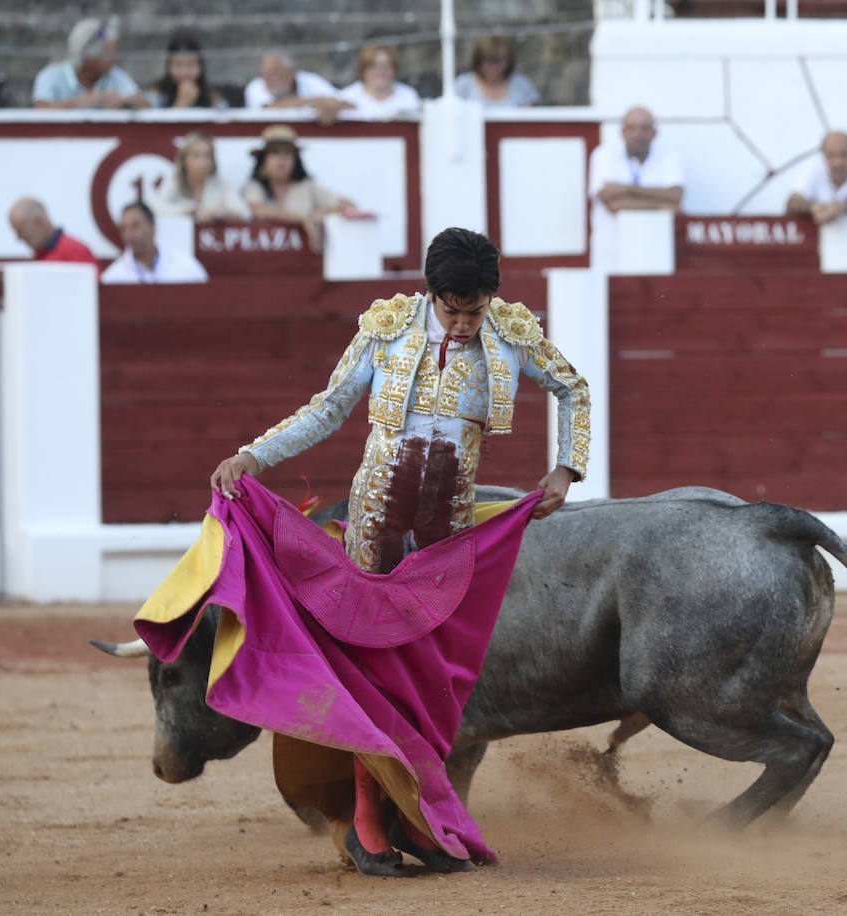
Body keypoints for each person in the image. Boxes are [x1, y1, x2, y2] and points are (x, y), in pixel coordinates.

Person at [201, 227, 588, 876]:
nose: (465, 324)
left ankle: (417, 812)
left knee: (430, 678)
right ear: (432, 295)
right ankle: (370, 817)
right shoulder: (387, 329)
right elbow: (327, 411)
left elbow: (572, 388)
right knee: (371, 673)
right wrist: (253, 454)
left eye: (476, 310)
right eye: (453, 309)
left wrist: (564, 470)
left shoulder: (511, 334)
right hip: (373, 528)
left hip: (445, 539)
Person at [587, 106, 685, 271]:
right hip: (611, 257)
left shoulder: (669, 156)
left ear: (654, 132)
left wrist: (624, 189)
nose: (638, 134)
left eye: (644, 128)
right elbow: (613, 204)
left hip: (656, 255)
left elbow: (676, 195)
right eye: (631, 128)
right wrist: (661, 205)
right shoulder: (604, 155)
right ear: (622, 132)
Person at [241, 124, 356, 253]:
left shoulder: (306, 186)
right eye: (275, 153)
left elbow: (348, 205)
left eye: (287, 154)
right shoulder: (254, 186)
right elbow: (259, 210)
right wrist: (304, 219)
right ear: (263, 160)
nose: (281, 160)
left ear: (295, 160)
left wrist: (319, 214)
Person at [32, 16, 148, 110]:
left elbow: (145, 106)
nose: (113, 59)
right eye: (106, 54)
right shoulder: (51, 75)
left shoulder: (115, 75)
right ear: (87, 57)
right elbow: (41, 108)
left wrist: (125, 103)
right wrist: (84, 101)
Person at [786, 130, 847, 226]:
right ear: (823, 154)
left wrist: (842, 207)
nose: (838, 162)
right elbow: (792, 202)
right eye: (832, 155)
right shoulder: (812, 167)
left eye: (843, 154)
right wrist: (814, 207)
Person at [101, 201, 209, 284]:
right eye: (124, 229)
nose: (129, 234)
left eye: (135, 226)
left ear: (152, 227)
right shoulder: (113, 277)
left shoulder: (186, 267)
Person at [153, 131, 251, 222]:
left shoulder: (219, 183)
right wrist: (188, 211)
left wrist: (219, 213)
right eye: (196, 156)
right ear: (184, 160)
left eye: (207, 156)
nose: (202, 162)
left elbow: (245, 213)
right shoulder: (175, 180)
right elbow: (155, 209)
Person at [244, 51, 348, 124]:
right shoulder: (255, 87)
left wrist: (332, 107)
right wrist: (317, 102)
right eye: (265, 73)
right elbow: (271, 109)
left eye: (274, 73)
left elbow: (344, 102)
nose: (267, 79)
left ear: (291, 73)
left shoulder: (310, 80)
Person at [337, 45, 421, 121]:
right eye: (373, 66)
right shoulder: (347, 97)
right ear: (363, 70)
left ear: (395, 69)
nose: (380, 71)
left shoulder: (408, 96)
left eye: (386, 66)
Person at [452, 35, 538, 108]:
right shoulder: (462, 86)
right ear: (478, 61)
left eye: (499, 62)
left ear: (509, 61)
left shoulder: (521, 85)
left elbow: (530, 121)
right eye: (489, 62)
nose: (494, 68)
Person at [7, 197, 96, 265]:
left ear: (38, 222)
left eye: (20, 230)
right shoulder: (40, 253)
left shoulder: (75, 250)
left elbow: (95, 287)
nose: (19, 237)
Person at [146, 32, 226, 109]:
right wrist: (182, 103)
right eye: (178, 65)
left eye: (190, 65)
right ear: (168, 65)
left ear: (201, 65)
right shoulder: (155, 92)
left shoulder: (213, 96)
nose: (184, 72)